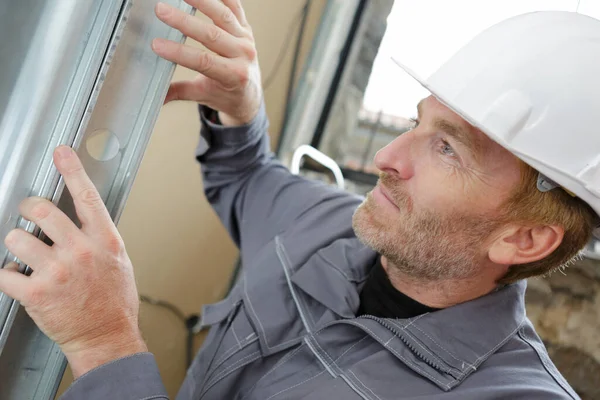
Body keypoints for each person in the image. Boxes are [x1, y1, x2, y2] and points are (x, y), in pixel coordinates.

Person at [0, 1, 598, 399]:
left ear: (524, 238)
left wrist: (105, 345)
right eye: (417, 123)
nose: (389, 158)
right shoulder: (334, 227)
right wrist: (242, 111)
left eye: (446, 149)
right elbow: (248, 178)